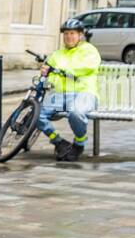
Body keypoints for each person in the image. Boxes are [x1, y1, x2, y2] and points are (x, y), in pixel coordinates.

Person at [38, 17, 101, 163]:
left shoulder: (89, 50)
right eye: (66, 34)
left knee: (76, 113)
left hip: (85, 93)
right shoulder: (58, 54)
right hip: (61, 95)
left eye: (72, 33)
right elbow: (50, 71)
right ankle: (59, 142)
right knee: (35, 114)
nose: (69, 37)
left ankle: (79, 144)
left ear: (80, 35)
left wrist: (64, 70)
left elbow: (88, 67)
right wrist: (44, 72)